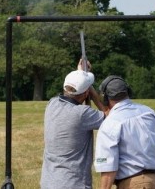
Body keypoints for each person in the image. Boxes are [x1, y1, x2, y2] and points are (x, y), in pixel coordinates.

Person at [40, 60, 108, 189]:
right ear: (86, 93)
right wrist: (93, 94)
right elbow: (111, 118)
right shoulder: (82, 114)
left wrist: (80, 73)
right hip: (74, 184)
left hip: (48, 183)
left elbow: (74, 92)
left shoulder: (52, 104)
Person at [94, 75, 155, 189]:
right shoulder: (149, 112)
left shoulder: (110, 123)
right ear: (128, 92)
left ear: (106, 98)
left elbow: (108, 168)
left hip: (135, 183)